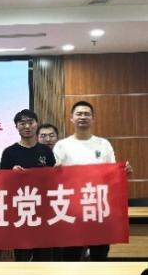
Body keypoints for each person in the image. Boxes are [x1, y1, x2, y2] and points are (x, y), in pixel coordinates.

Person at [54, 101, 133, 261]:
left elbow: (112, 174)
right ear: (71, 118)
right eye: (79, 114)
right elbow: (55, 177)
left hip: (98, 207)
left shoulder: (103, 144)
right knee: (70, 256)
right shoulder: (62, 145)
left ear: (93, 118)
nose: (83, 117)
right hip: (72, 208)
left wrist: (124, 173)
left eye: (87, 114)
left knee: (100, 255)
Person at [0, 109, 56, 261]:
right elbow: (2, 183)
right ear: (16, 127)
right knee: (23, 258)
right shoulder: (9, 152)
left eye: (30, 122)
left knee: (45, 257)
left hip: (44, 210)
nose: (27, 126)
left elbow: (54, 180)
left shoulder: (46, 151)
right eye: (22, 123)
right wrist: (12, 173)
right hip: (21, 211)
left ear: (36, 124)